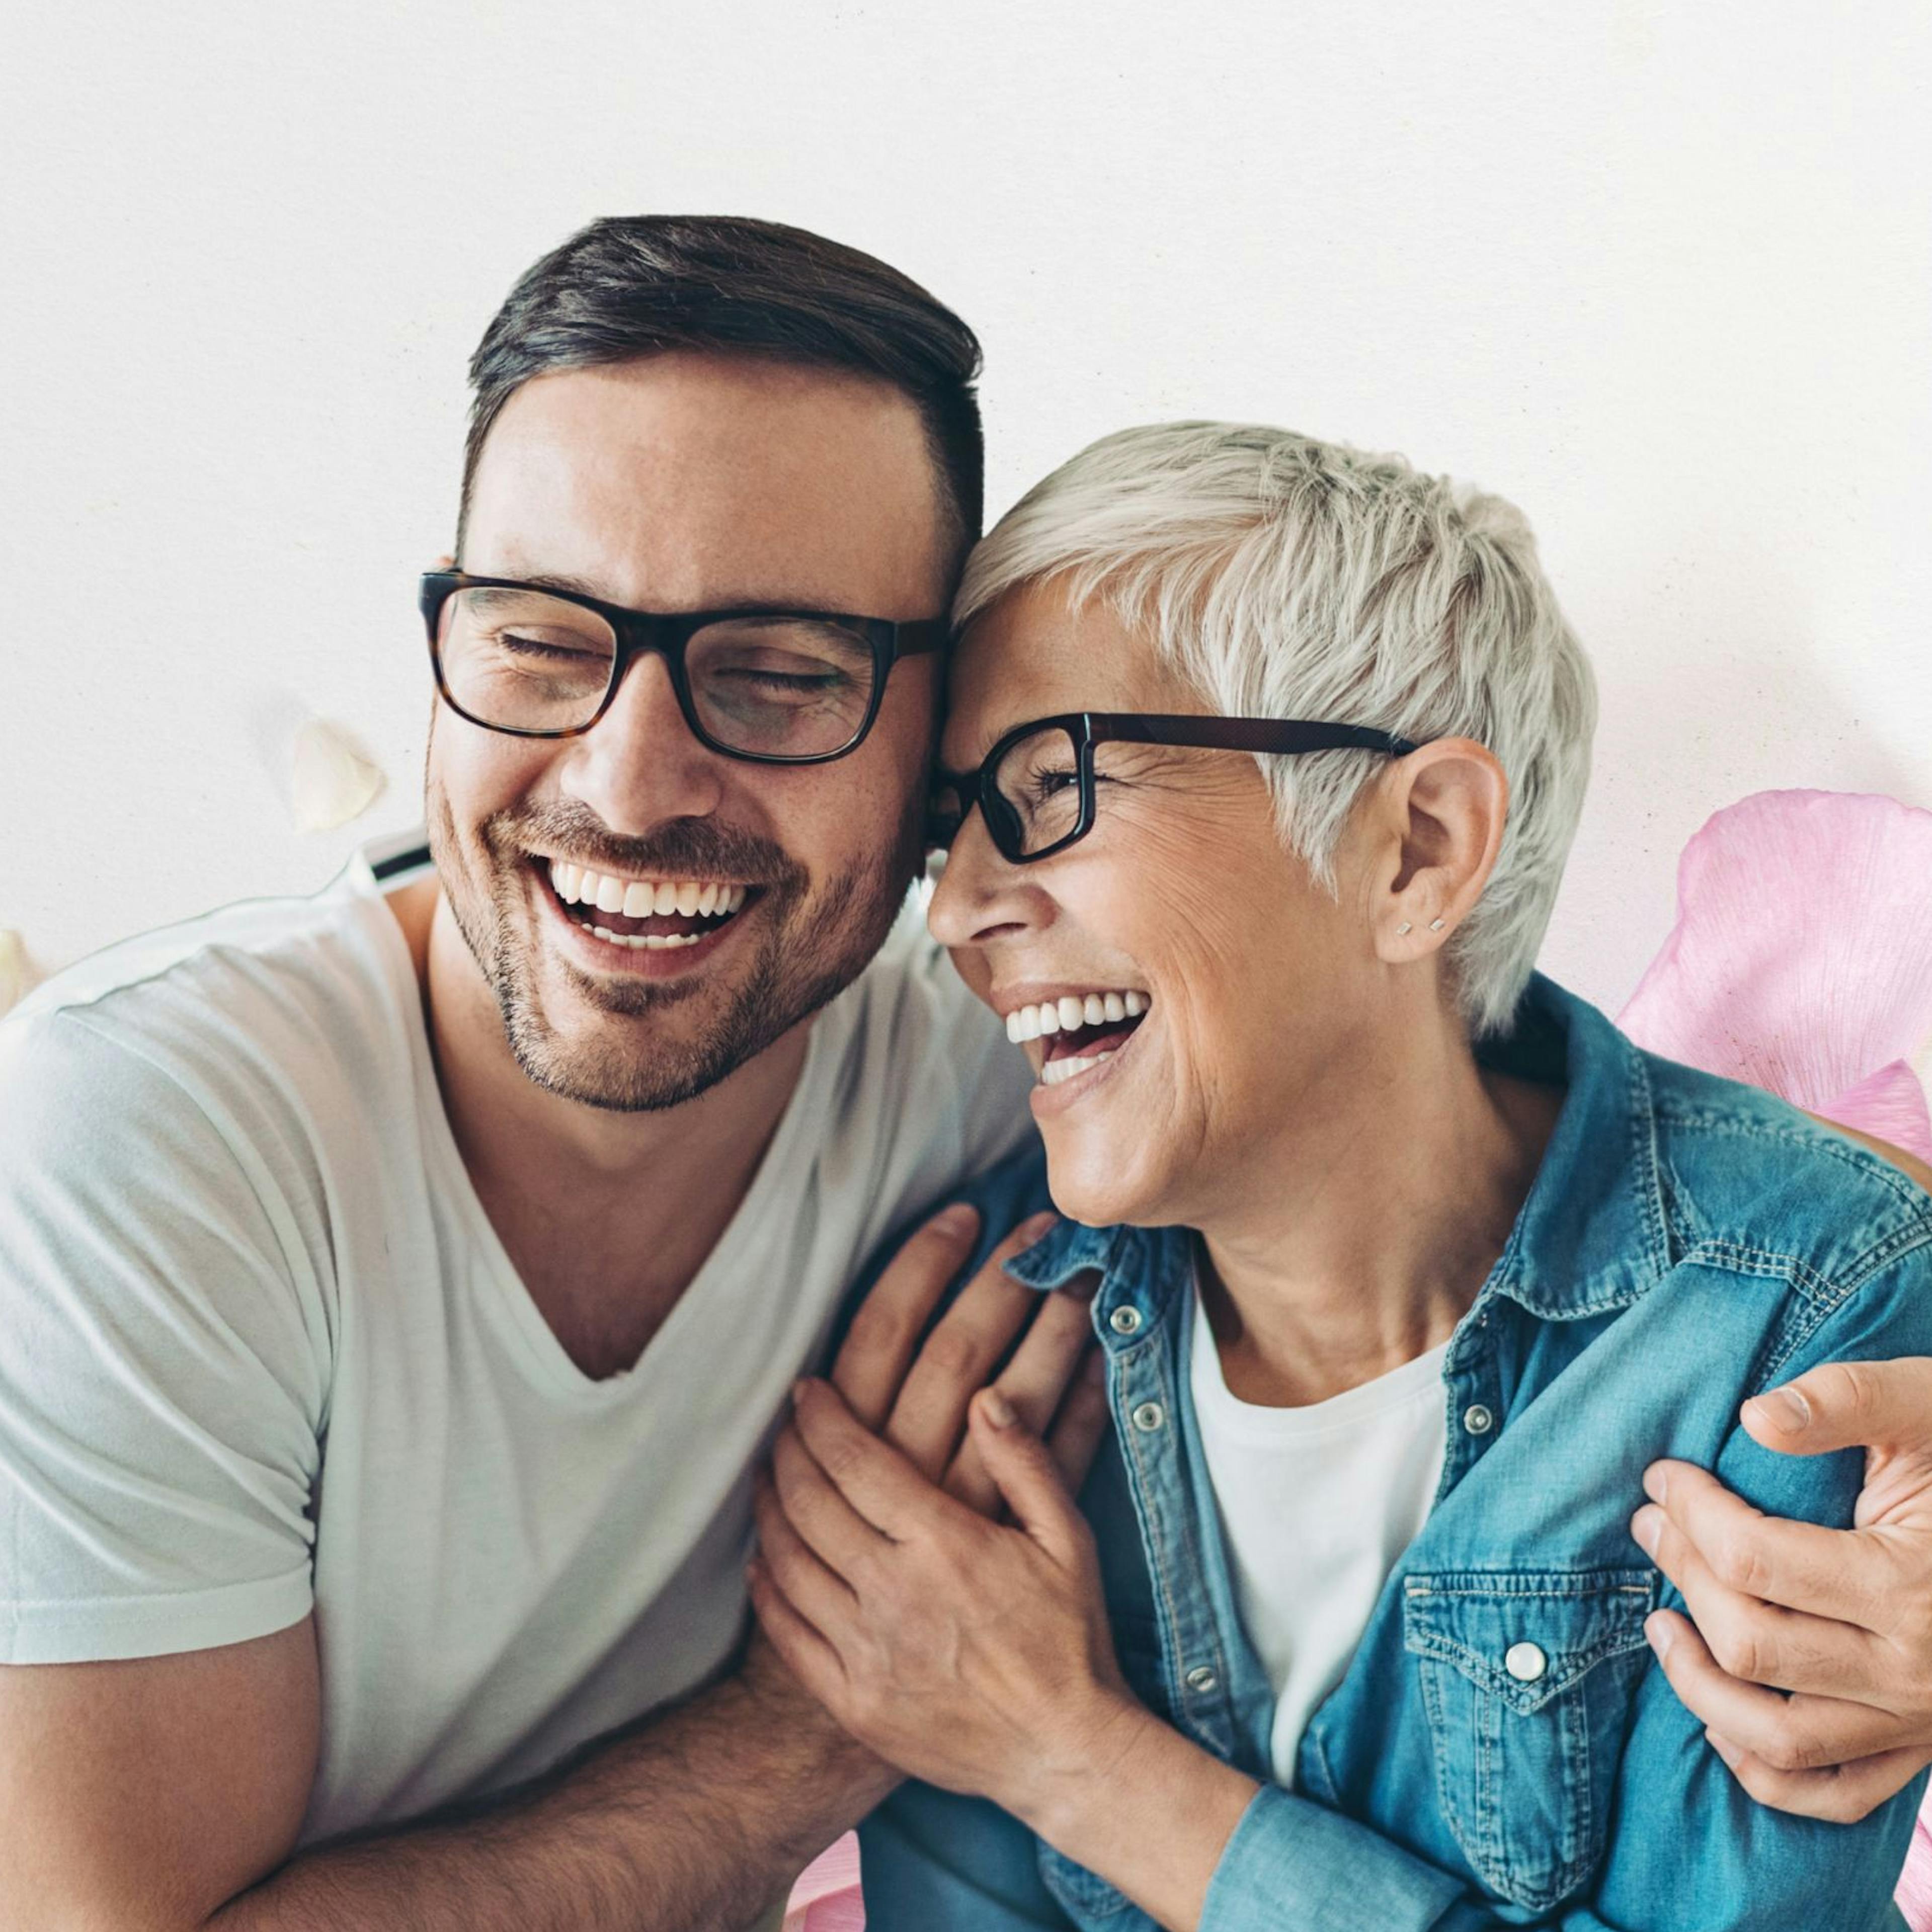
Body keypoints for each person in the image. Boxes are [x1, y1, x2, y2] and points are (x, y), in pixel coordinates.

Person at [1, 217, 1929, 1932]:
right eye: (534, 643)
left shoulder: (1039, 1123)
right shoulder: (1008, 1272)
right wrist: (842, 1727)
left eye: (782, 677)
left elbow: (1618, 1171)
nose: (966, 910)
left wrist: (1067, 1756)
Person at [746, 422, 1932, 1928]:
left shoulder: (1804, 1311)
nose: (961, 908)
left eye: (1050, 787)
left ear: (1418, 850)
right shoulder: (985, 1346)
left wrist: (1077, 1762)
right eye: (948, 832)